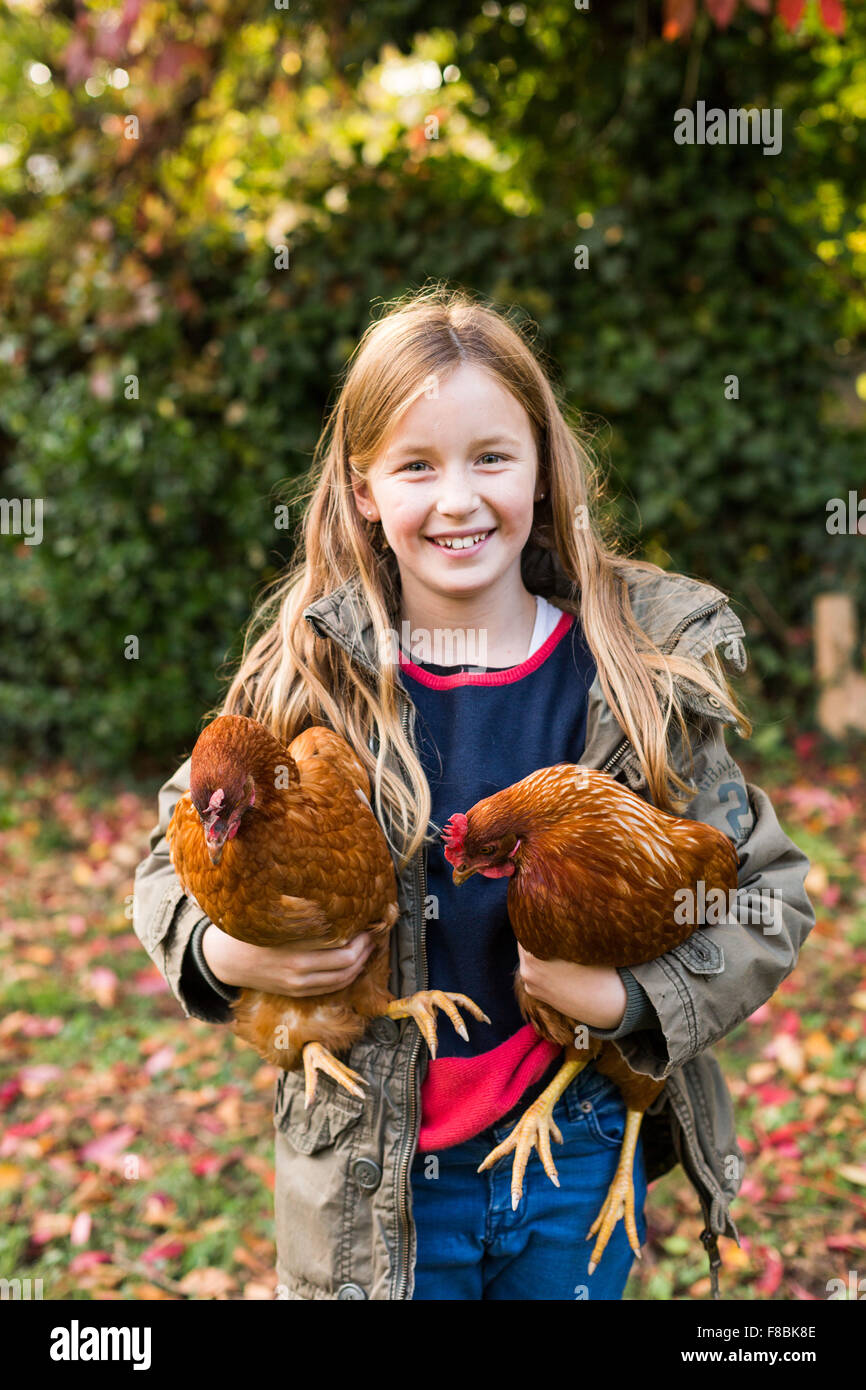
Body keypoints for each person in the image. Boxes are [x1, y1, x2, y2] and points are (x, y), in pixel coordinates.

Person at [133, 284, 814, 1301]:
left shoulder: (634, 676)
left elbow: (763, 898)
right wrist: (224, 951)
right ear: (364, 491)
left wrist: (633, 998)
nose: (457, 500)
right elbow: (166, 868)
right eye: (416, 466)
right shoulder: (306, 675)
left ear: (541, 471)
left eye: (490, 457)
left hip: (574, 1150)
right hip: (371, 1167)